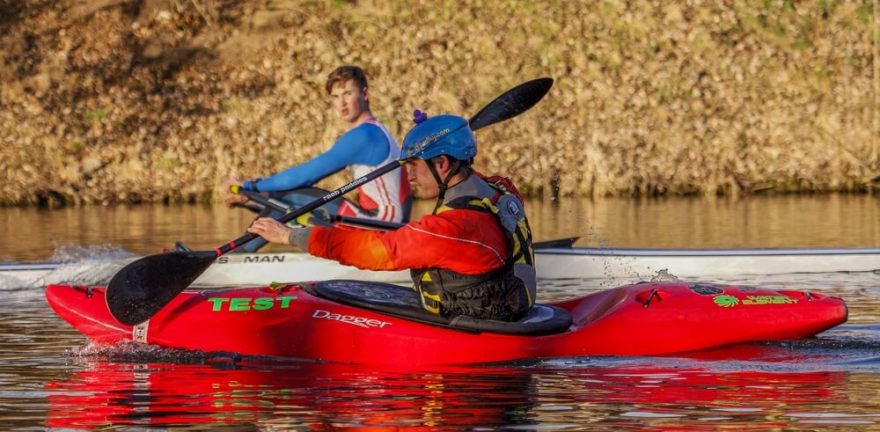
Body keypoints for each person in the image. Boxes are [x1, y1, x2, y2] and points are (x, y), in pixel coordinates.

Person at [247, 111, 537, 321]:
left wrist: (290, 235)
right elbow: (473, 177)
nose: (408, 176)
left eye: (413, 166)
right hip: (506, 308)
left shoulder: (451, 228)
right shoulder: (500, 190)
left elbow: (378, 251)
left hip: (477, 327)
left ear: (443, 163)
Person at [225, 65, 412, 252]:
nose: (342, 103)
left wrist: (252, 187)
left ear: (365, 94)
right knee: (290, 200)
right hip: (386, 222)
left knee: (292, 196)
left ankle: (235, 258)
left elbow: (303, 176)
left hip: (381, 225)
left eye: (348, 93)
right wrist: (255, 195)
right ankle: (240, 255)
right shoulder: (376, 130)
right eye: (336, 97)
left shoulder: (365, 136)